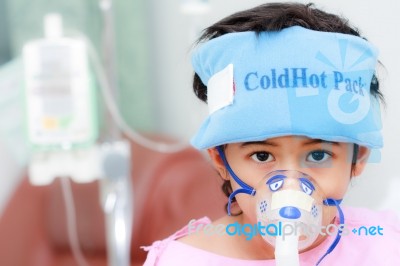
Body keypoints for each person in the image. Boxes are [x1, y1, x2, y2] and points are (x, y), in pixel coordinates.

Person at [143, 2, 400, 265]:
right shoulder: (182, 259)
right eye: (263, 155)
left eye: (319, 155)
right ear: (221, 159)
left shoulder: (387, 248)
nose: (290, 186)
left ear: (358, 158)